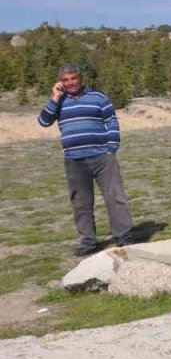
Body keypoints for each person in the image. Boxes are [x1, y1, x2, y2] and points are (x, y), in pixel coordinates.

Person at [37, 63, 135, 256]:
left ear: (81, 78)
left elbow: (111, 122)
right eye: (65, 80)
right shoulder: (58, 101)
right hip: (74, 160)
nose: (70, 83)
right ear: (60, 82)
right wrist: (55, 97)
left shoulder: (99, 97)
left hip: (102, 157)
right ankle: (88, 242)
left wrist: (111, 148)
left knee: (115, 197)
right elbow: (43, 121)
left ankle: (123, 236)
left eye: (74, 78)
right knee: (80, 202)